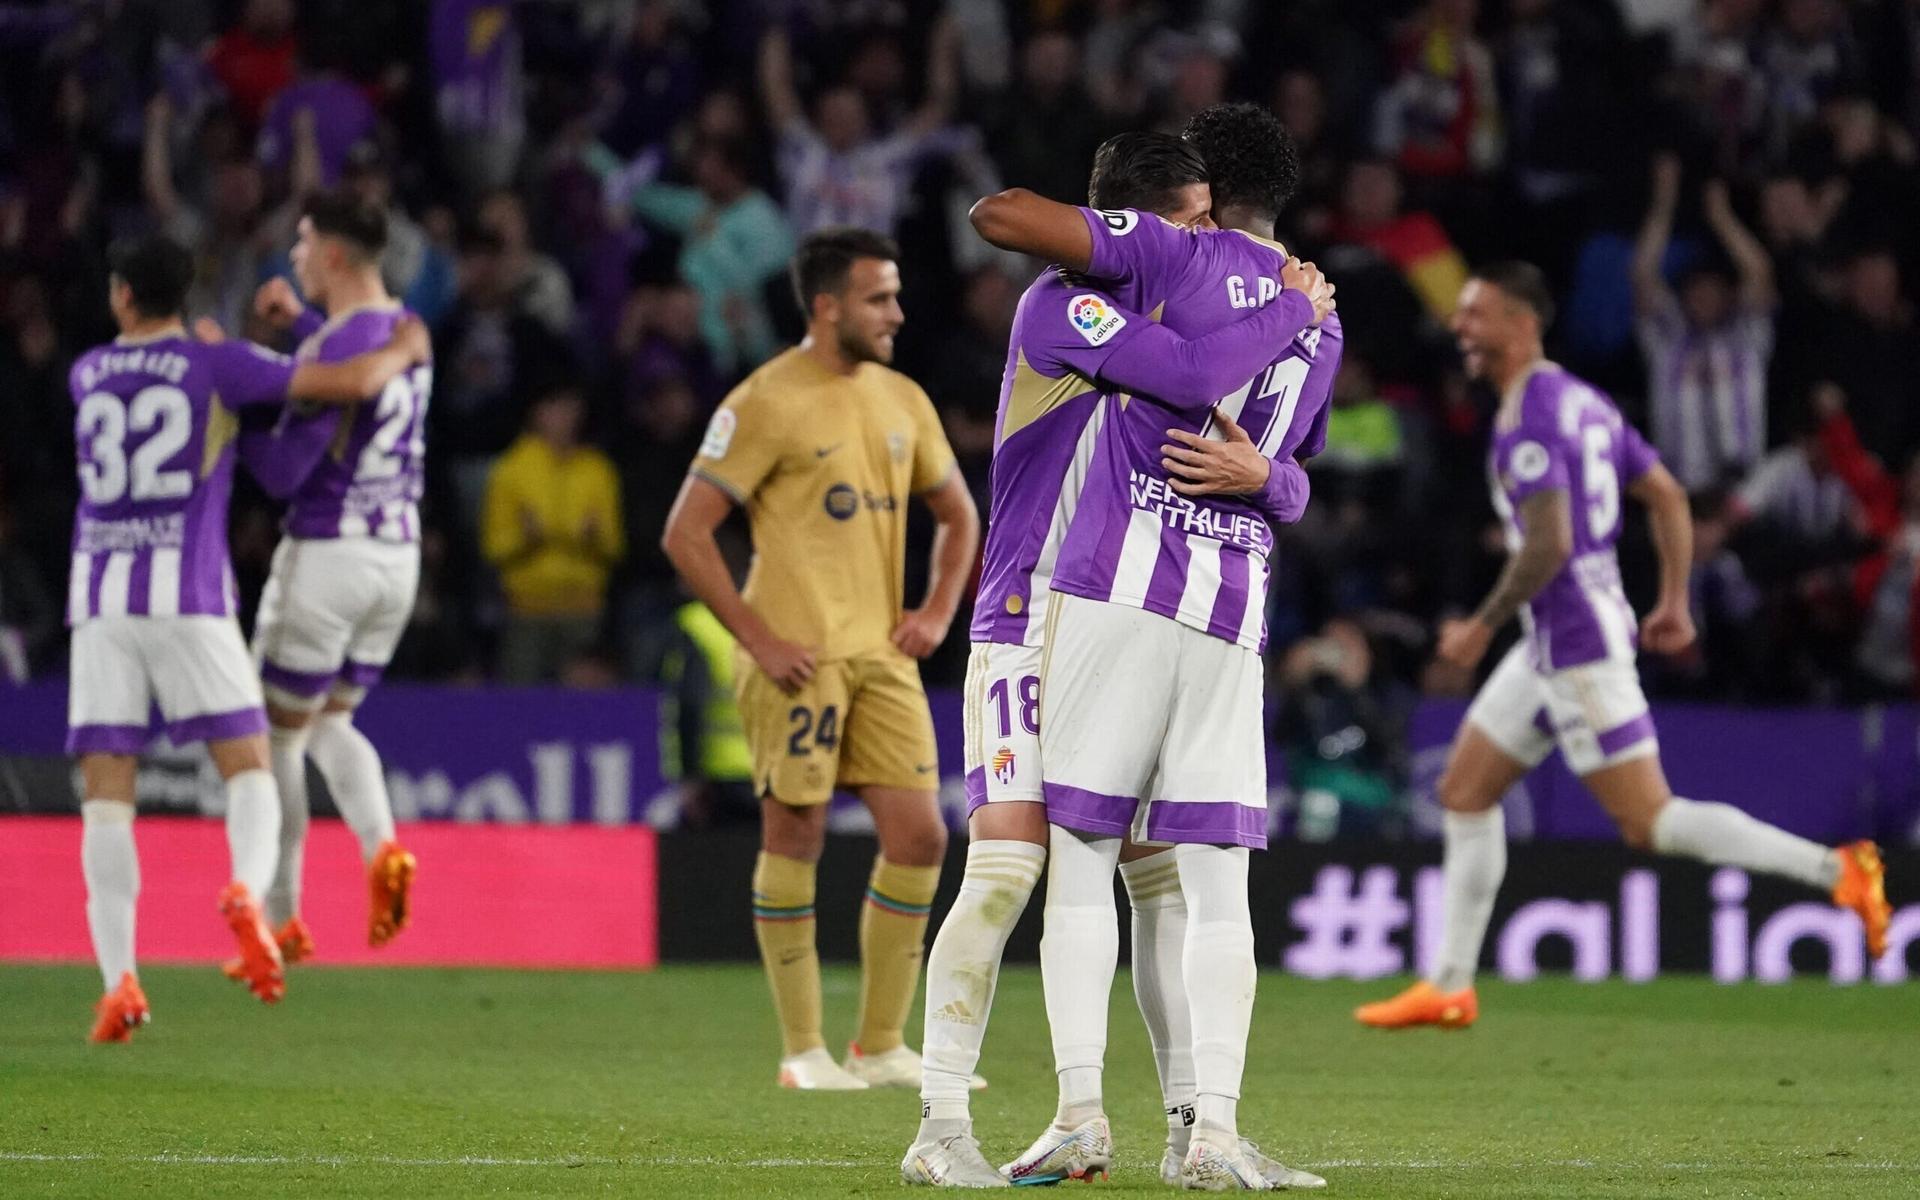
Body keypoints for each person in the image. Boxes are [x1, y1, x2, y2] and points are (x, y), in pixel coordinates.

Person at [905, 122, 1335, 1190]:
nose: (1204, 244)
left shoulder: (1183, 297)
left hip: (1123, 613)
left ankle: (1196, 1125)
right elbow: (1191, 373)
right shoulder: (1070, 304)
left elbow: (1274, 464)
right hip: (1032, 609)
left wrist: (1271, 483)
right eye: (1188, 222)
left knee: (1163, 889)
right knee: (1009, 870)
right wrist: (1294, 309)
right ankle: (941, 1125)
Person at [1355, 263, 1892, 1031]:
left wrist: (1478, 623)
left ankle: (1838, 869)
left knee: (1651, 823)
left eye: (1476, 316)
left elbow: (1548, 545)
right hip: (1559, 636)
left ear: (1521, 323)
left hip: (1575, 643)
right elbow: (1667, 494)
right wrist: (1672, 600)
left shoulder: (1532, 416)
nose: (1460, 329)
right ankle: (1449, 984)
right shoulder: (1581, 399)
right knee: (1465, 792)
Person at [70, 234, 429, 1041]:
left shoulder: (85, 373)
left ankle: (119, 983)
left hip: (99, 605)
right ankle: (249, 891)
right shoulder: (216, 368)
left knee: (106, 801)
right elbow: (344, 382)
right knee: (253, 766)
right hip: (191, 599)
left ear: (122, 296)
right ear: (184, 296)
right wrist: (404, 346)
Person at [660, 228, 980, 1091]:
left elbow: (959, 515)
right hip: (797, 656)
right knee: (793, 829)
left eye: (897, 295)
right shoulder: (766, 400)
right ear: (827, 305)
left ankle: (879, 1045)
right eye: (880, 298)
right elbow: (686, 533)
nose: (897, 314)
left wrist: (938, 611)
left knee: (919, 835)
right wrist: (756, 639)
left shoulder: (903, 398)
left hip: (882, 654)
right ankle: (803, 1049)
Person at [238, 191, 435, 967]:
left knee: (274, 740)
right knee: (330, 723)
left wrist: (233, 428)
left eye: (305, 241)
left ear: (337, 257)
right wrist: (296, 327)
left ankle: (283, 914)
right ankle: (381, 845)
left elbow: (287, 472)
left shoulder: (335, 352)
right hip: (397, 561)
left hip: (327, 558)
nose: (294, 255)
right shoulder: (406, 330)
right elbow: (349, 365)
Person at [1631, 155, 1777, 492]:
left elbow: (1760, 273)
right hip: (1680, 490)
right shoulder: (1666, 338)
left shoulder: (1746, 337)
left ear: (1728, 296)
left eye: (1713, 290)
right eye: (1696, 290)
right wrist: (1664, 203)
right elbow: (1642, 275)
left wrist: (1722, 217)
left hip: (1738, 492)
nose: (1704, 297)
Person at [481, 384, 625, 683]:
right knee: (522, 702)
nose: (565, 417)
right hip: (526, 608)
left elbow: (616, 546)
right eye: (556, 407)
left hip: (584, 608)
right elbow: (493, 547)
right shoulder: (511, 469)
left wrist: (594, 537)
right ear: (538, 412)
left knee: (582, 705)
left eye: (572, 408)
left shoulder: (597, 470)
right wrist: (527, 539)